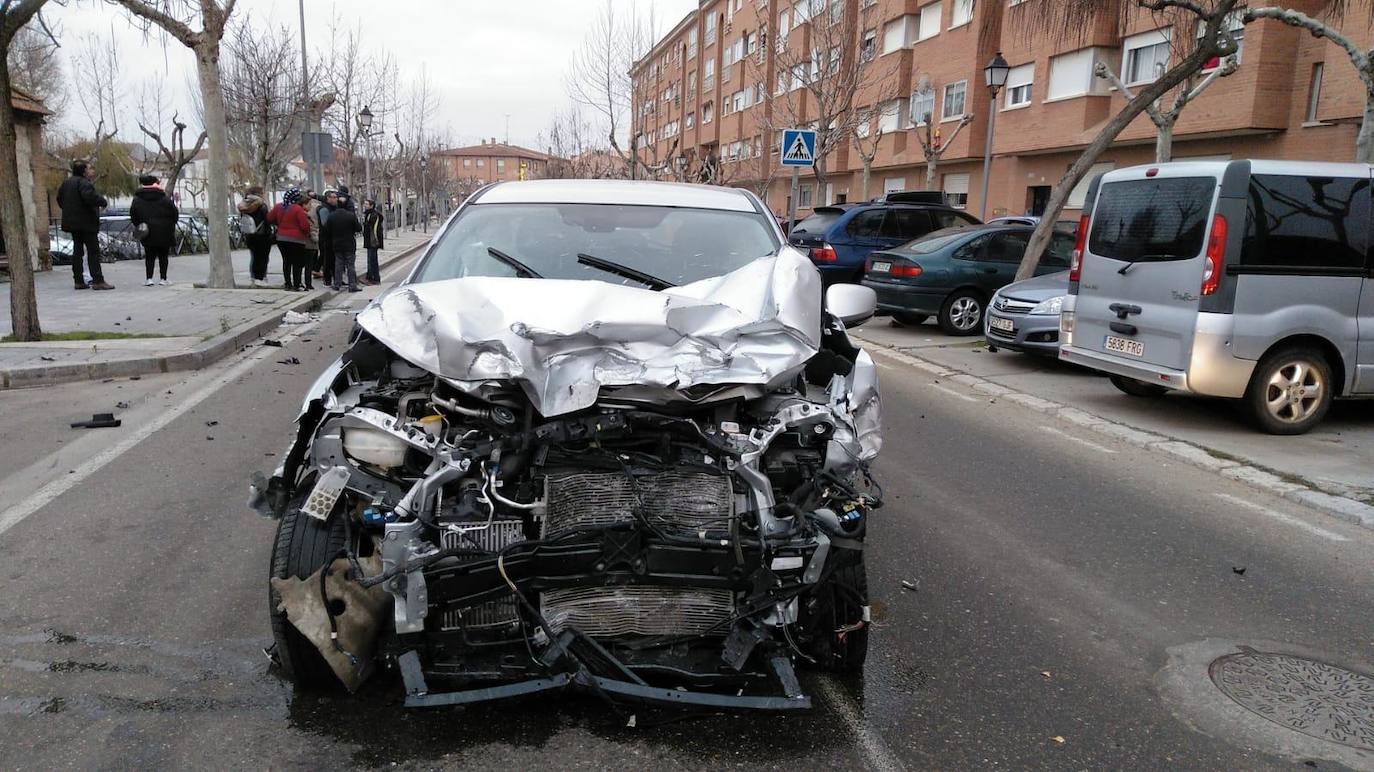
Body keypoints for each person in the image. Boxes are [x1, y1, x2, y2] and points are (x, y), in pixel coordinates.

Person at [56, 159, 113, 290]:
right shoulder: (84, 183)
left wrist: (69, 210)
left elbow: (59, 199)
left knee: (77, 251)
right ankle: (98, 280)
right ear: (84, 171)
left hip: (72, 223)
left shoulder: (66, 183)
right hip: (87, 223)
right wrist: (102, 202)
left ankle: (78, 280)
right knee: (93, 251)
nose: (91, 171)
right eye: (89, 168)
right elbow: (90, 197)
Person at [128, 174, 179, 286]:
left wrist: (140, 225)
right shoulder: (164, 198)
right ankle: (163, 279)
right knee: (163, 256)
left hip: (147, 231)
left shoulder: (137, 199)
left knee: (149, 255)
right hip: (164, 231)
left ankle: (149, 278)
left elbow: (133, 215)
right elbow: (175, 214)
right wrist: (170, 224)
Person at [268, 187, 312, 291]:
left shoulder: (278, 207)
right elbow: (304, 226)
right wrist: (306, 234)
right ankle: (297, 284)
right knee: (297, 262)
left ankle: (288, 283)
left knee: (286, 261)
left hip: (281, 238)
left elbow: (269, 218)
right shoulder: (297, 209)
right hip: (296, 239)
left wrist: (279, 224)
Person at [320, 189, 361, 292]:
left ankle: (337, 284)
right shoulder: (350, 216)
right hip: (349, 244)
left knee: (338, 264)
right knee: (350, 265)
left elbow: (326, 230)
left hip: (337, 244)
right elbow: (359, 228)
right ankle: (352, 285)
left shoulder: (332, 216)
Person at [238, 186, 273, 287]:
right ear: (260, 193)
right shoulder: (262, 205)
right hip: (262, 235)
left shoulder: (244, 204)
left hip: (249, 234)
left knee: (254, 257)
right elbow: (267, 220)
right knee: (263, 257)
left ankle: (254, 277)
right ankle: (260, 278)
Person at [300, 189, 320, 290]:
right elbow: (309, 228)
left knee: (306, 265)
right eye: (309, 204)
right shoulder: (305, 215)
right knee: (308, 265)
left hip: (305, 243)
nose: (311, 207)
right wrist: (316, 237)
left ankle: (305, 283)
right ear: (304, 204)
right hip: (309, 243)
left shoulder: (305, 214)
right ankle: (308, 283)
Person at [316, 188, 337, 288]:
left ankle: (334, 278)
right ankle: (327, 280)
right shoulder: (324, 209)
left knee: (333, 259)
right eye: (332, 197)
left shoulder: (333, 208)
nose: (335, 199)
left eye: (335, 197)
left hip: (332, 237)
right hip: (326, 238)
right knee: (327, 259)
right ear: (327, 198)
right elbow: (325, 224)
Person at [361, 198, 384, 285]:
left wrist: (376, 241)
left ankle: (373, 278)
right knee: (371, 260)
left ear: (371, 206)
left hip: (372, 241)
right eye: (365, 204)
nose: (365, 206)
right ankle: (371, 277)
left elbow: (375, 230)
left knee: (372, 260)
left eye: (367, 204)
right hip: (369, 241)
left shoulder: (373, 215)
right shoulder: (368, 214)